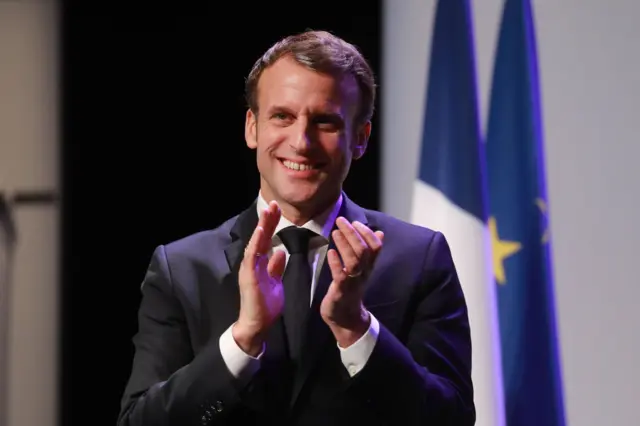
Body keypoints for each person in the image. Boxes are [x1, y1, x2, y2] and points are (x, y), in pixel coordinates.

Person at [118, 30, 475, 426]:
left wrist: (356, 329)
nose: (301, 142)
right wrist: (244, 338)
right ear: (252, 127)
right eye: (282, 116)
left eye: (324, 121)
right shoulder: (181, 268)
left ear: (360, 138)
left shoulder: (418, 259)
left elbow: (452, 418)